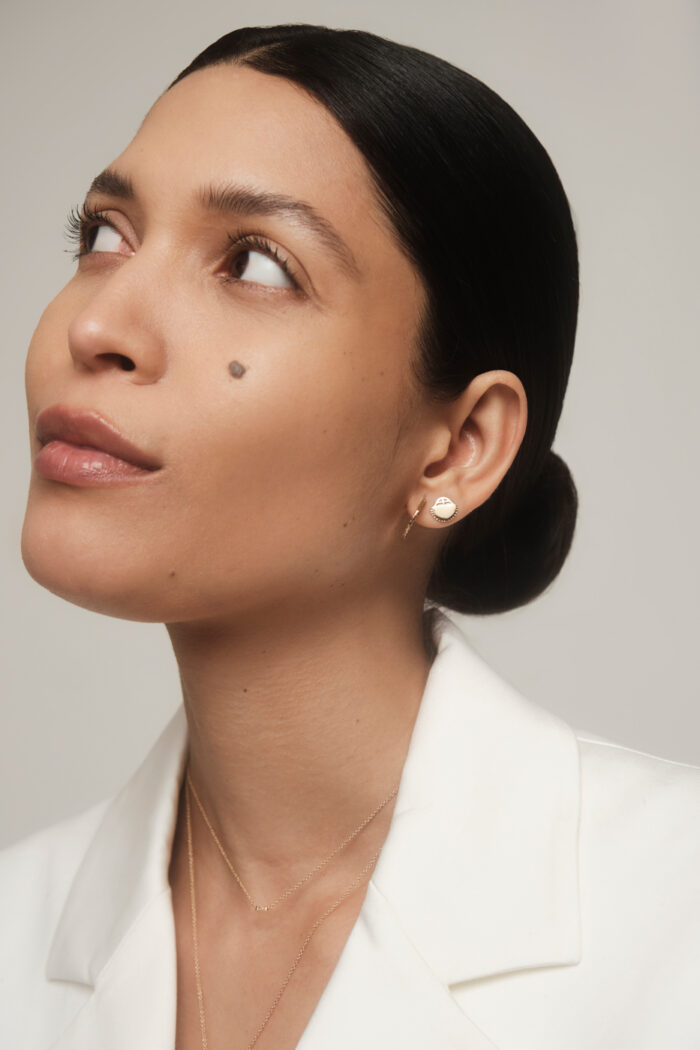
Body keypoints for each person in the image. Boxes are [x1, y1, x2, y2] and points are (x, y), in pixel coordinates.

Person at [2, 23, 699, 1050]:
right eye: (105, 234)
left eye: (254, 264)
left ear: (458, 447)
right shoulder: (15, 928)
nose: (97, 327)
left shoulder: (674, 912)